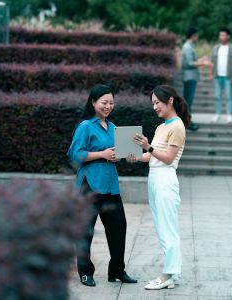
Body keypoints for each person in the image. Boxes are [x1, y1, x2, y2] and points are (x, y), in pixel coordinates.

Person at [67, 84, 137, 287]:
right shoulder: (85, 126)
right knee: (85, 230)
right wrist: (102, 154)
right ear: (93, 102)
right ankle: (85, 273)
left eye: (111, 103)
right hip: (90, 184)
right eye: (104, 102)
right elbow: (75, 154)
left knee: (119, 228)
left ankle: (116, 271)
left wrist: (122, 156)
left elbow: (117, 153)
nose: (108, 106)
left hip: (110, 184)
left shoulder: (114, 127)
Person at [126, 85, 190, 290]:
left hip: (165, 180)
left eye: (157, 102)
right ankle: (173, 273)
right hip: (154, 178)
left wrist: (147, 146)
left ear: (170, 100)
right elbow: (153, 155)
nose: (154, 107)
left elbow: (169, 159)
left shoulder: (177, 126)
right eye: (152, 103)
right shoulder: (161, 127)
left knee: (167, 229)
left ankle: (168, 275)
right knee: (162, 229)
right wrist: (136, 157)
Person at [182, 26, 211, 131]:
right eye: (197, 35)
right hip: (189, 77)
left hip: (191, 77)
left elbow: (192, 60)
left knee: (188, 101)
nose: (197, 37)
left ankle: (186, 122)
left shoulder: (190, 46)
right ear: (193, 36)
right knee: (188, 101)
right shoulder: (188, 47)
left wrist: (201, 59)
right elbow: (190, 63)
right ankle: (188, 123)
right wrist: (204, 63)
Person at [209, 27, 232, 123]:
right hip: (217, 76)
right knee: (217, 96)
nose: (221, 37)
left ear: (228, 36)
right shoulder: (216, 48)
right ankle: (217, 114)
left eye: (223, 35)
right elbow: (212, 62)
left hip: (228, 76)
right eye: (220, 35)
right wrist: (211, 74)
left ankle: (229, 116)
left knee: (228, 96)